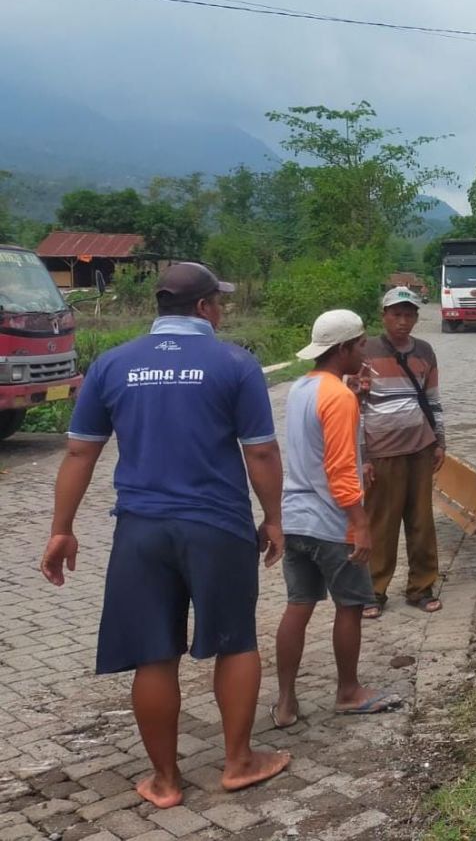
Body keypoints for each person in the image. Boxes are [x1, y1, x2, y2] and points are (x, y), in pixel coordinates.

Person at [39, 262, 290, 810]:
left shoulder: (113, 364)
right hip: (217, 526)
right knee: (236, 640)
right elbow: (262, 452)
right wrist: (273, 518)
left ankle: (165, 780)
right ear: (203, 308)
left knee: (154, 654)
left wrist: (61, 529)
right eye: (217, 303)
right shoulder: (234, 363)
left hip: (140, 529)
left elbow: (81, 451)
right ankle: (239, 762)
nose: (221, 311)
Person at [272, 310, 398, 727]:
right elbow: (341, 468)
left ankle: (286, 701)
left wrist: (357, 398)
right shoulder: (338, 398)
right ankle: (348, 692)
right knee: (350, 606)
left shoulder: (301, 388)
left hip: (296, 518)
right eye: (360, 344)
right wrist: (360, 524)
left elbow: (317, 446)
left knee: (298, 606)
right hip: (331, 523)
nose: (365, 351)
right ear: (342, 349)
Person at [358, 287, 446, 618]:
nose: (402, 321)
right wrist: (363, 456)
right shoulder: (365, 352)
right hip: (382, 450)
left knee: (422, 520)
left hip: (420, 447)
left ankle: (421, 587)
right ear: (384, 316)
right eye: (396, 314)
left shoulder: (424, 351)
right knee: (381, 521)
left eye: (409, 315)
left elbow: (434, 399)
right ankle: (373, 590)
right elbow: (357, 407)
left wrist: (440, 441)